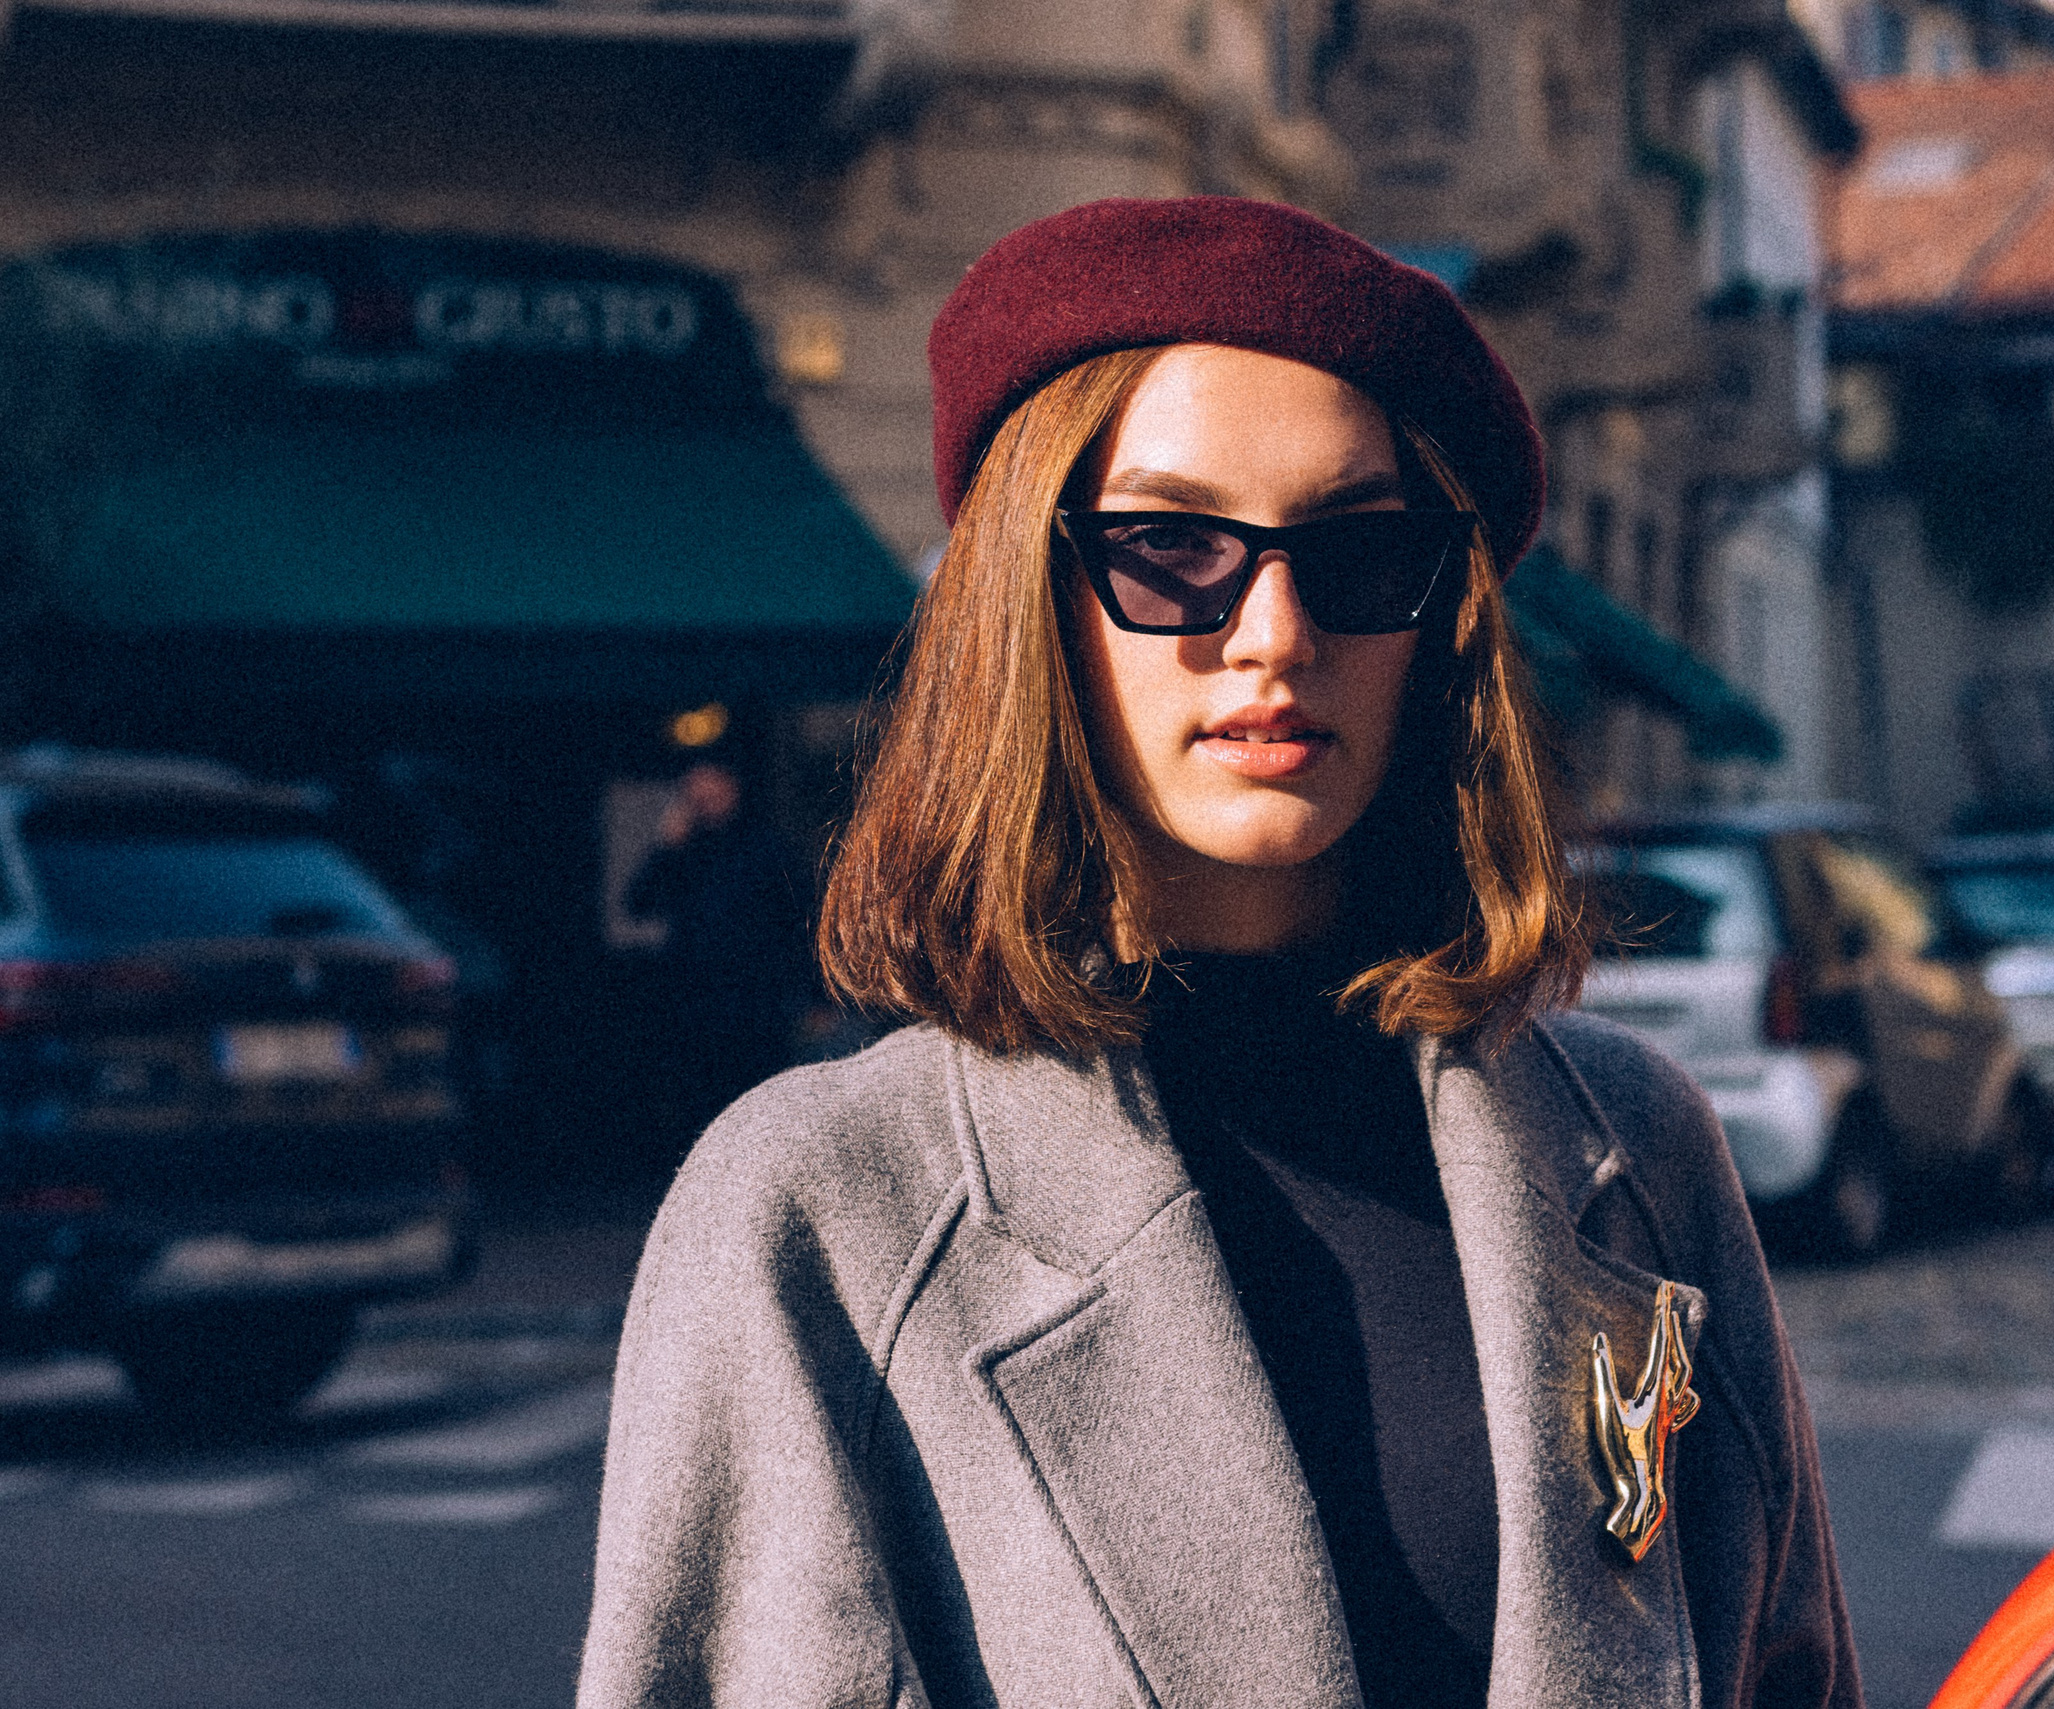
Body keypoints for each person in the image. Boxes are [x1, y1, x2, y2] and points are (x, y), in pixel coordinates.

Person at [579, 197, 1860, 1709]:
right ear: (1028, 598)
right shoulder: (815, 1207)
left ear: (1439, 614)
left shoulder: (1634, 1149)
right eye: (1172, 548)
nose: (1273, 628)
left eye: (1358, 550)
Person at [620, 757, 804, 1135]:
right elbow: (637, 904)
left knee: (760, 1105)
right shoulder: (684, 852)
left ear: (732, 785)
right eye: (694, 789)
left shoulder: (766, 848)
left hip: (756, 1003)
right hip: (694, 1004)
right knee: (702, 1109)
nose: (704, 797)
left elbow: (800, 921)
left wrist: (809, 996)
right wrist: (666, 847)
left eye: (711, 785)